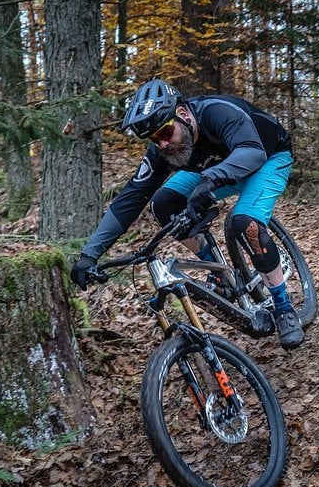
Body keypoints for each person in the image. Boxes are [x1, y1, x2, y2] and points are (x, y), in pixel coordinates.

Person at [69, 79, 303, 350]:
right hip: (216, 169)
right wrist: (90, 254)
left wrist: (210, 180)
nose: (163, 144)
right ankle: (217, 270)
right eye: (155, 139)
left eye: (166, 132)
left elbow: (251, 151)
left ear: (182, 114)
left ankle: (284, 307)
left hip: (267, 157)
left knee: (245, 222)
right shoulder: (164, 149)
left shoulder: (218, 112)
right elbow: (131, 198)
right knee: (163, 204)